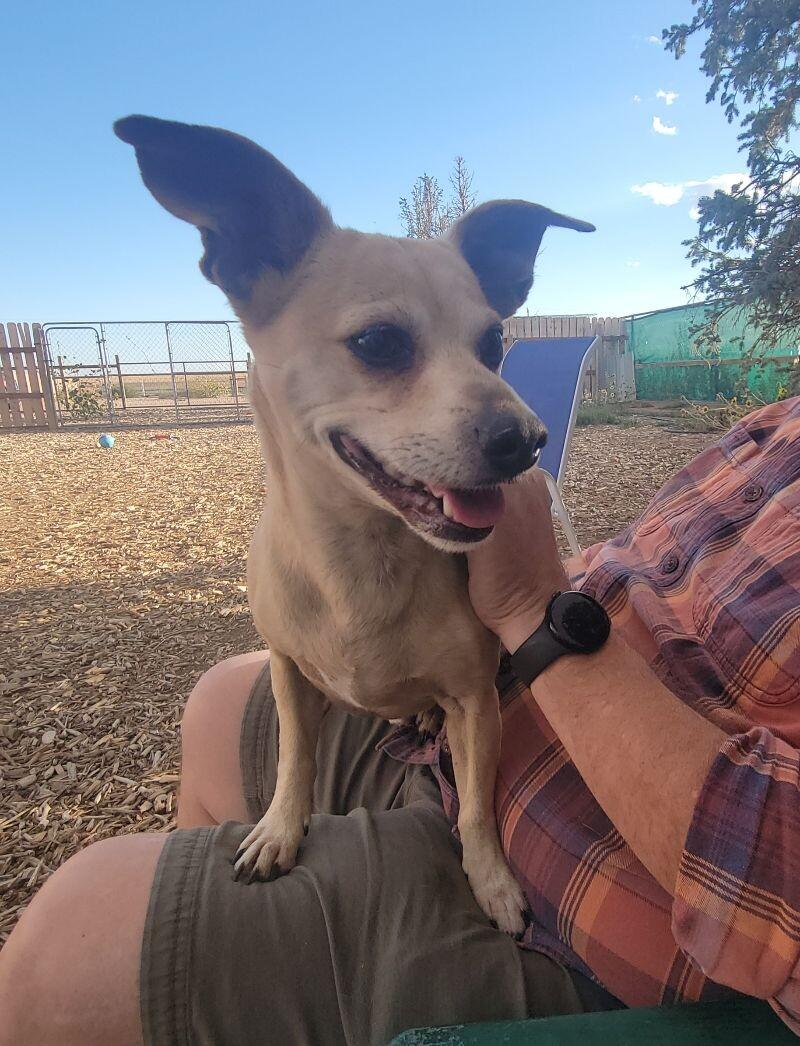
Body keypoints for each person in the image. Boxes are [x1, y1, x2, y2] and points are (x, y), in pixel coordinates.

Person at [2, 396, 800, 1045]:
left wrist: (531, 608)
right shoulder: (776, 422)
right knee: (216, 701)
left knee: (62, 956)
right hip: (496, 711)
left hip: (585, 885)